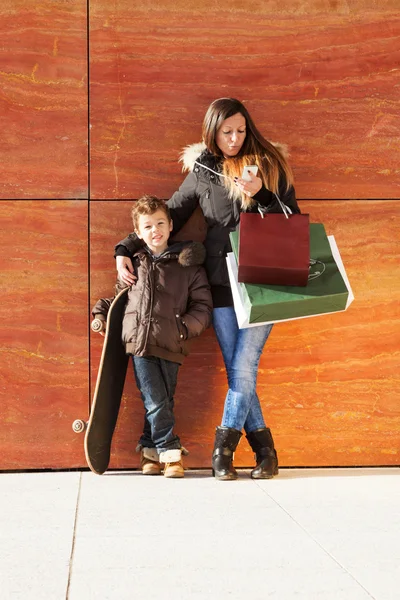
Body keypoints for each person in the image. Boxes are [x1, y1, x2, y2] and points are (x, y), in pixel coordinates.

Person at [115, 98, 300, 481]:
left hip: (265, 283)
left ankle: (223, 449)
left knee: (243, 367)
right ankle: (266, 453)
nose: (234, 139)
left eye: (240, 130)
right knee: (240, 372)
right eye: (226, 131)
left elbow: (292, 223)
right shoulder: (203, 171)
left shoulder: (270, 164)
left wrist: (262, 193)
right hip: (219, 283)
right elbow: (170, 214)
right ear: (212, 132)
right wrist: (125, 248)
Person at [92, 195, 212, 478]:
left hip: (172, 344)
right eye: (147, 226)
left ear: (171, 226)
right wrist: (100, 313)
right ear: (138, 233)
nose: (155, 230)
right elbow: (121, 299)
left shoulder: (188, 265)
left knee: (162, 400)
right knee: (155, 399)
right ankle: (170, 453)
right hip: (140, 345)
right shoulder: (135, 263)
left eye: (160, 223)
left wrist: (183, 329)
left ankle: (149, 451)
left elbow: (203, 307)